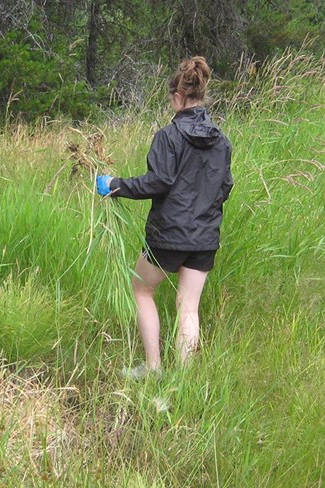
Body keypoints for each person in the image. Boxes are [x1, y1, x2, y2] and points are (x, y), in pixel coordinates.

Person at [96, 56, 233, 378]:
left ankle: (153, 367)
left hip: (170, 234)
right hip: (205, 236)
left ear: (177, 96)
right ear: (202, 94)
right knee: (188, 306)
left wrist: (114, 186)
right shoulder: (221, 140)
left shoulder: (168, 136)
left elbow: (158, 181)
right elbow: (225, 186)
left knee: (142, 289)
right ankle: (184, 382)